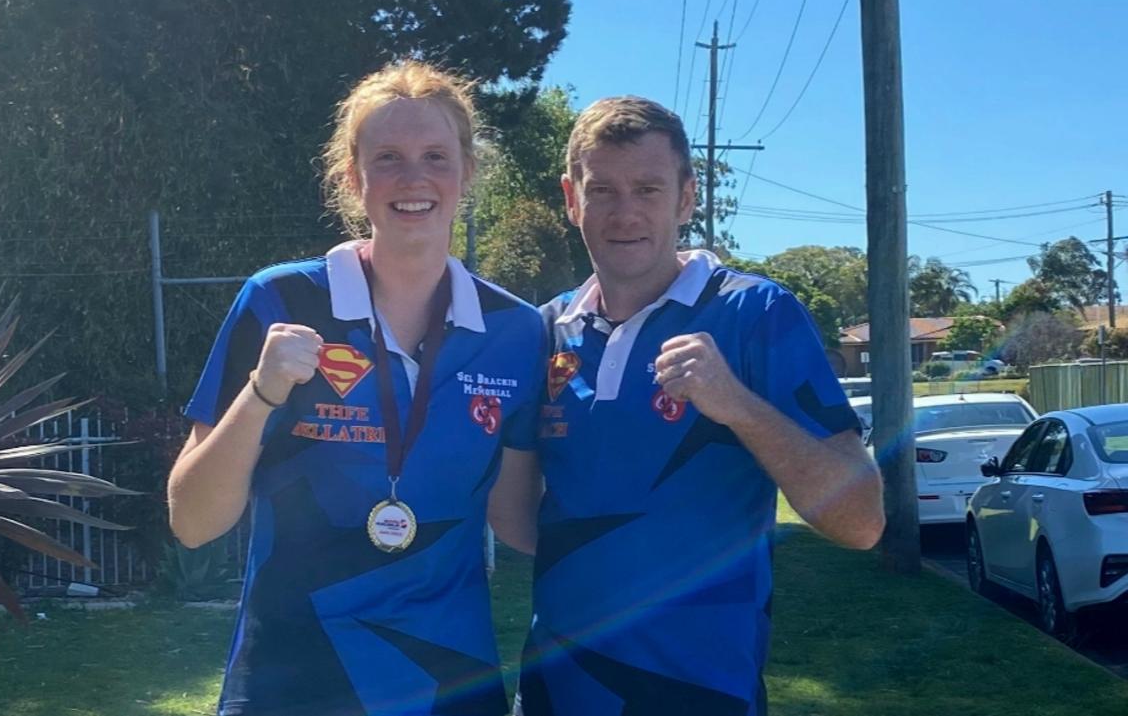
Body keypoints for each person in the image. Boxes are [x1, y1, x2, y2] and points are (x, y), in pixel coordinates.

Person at [168, 61, 545, 716]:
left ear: (467, 172)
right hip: (289, 688)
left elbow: (518, 521)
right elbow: (193, 520)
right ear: (352, 175)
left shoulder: (516, 331)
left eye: (435, 155)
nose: (414, 178)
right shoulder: (279, 299)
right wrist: (262, 392)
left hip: (448, 688)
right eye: (389, 157)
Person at [488, 96, 885, 716]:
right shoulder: (545, 330)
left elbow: (861, 522)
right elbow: (514, 524)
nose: (625, 213)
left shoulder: (757, 314)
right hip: (557, 694)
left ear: (686, 197)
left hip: (703, 695)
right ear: (571, 199)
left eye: (648, 188)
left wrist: (737, 406)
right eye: (603, 190)